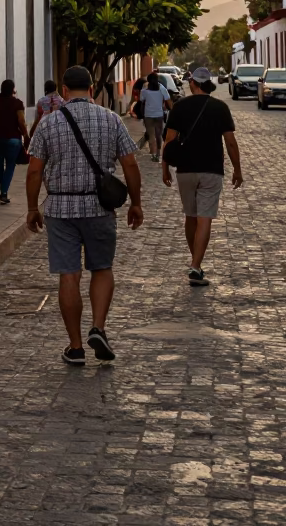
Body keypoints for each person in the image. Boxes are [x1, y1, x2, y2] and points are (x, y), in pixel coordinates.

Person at [26, 65, 143, 366]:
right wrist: (136, 203)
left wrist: (31, 208)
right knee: (102, 268)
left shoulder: (49, 123)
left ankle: (75, 347)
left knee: (69, 274)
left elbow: (35, 170)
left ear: (64, 91)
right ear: (92, 89)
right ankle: (99, 328)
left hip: (61, 209)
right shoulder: (111, 119)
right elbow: (130, 165)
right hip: (99, 208)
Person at [162, 66, 243, 286]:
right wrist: (237, 169)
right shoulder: (220, 108)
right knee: (204, 217)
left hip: (185, 170)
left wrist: (164, 168)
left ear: (193, 83)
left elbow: (169, 141)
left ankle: (195, 261)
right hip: (212, 170)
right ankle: (196, 265)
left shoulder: (179, 107)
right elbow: (231, 142)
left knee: (190, 216)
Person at [0, 79, 31, 204]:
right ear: (13, 89)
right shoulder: (17, 103)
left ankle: (3, 189)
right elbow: (21, 121)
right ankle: (4, 192)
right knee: (10, 165)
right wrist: (25, 135)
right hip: (13, 140)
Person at [139, 71, 170, 161]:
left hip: (148, 115)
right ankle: (158, 153)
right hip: (159, 115)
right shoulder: (162, 88)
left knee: (151, 135)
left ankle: (153, 154)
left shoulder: (145, 90)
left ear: (148, 81)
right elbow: (168, 99)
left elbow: (141, 100)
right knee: (158, 135)